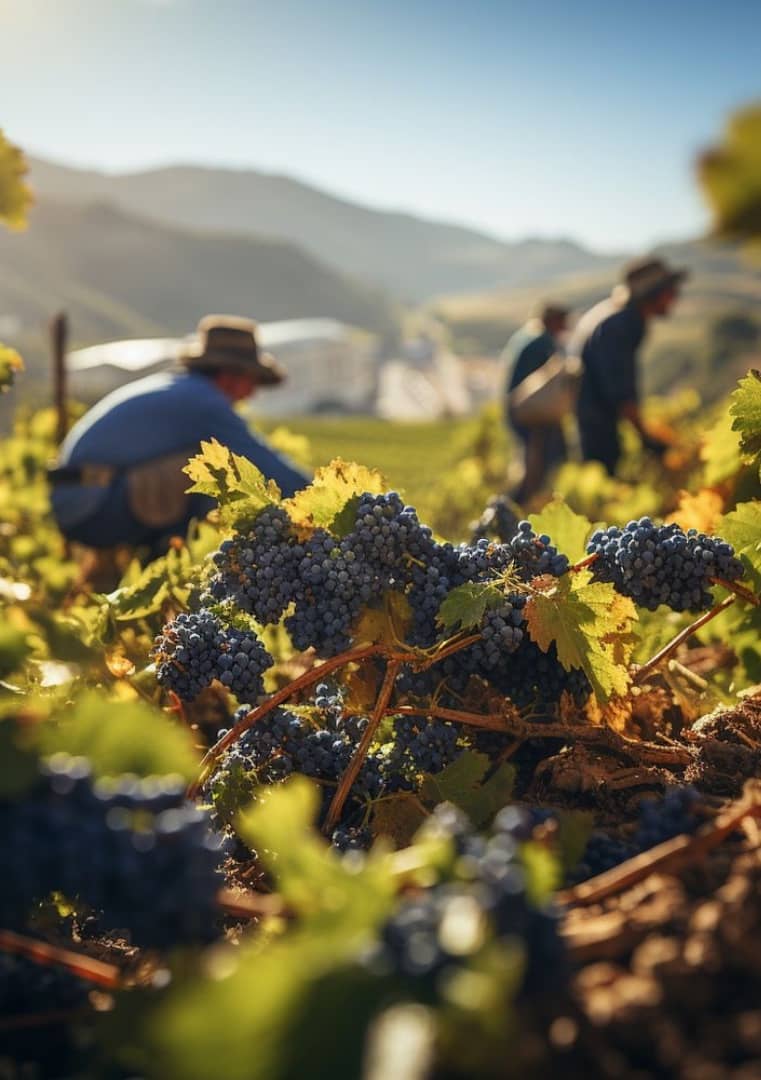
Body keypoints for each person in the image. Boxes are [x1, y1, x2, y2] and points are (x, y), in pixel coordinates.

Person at [49, 314, 309, 559]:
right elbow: (260, 464)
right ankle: (176, 566)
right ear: (231, 375)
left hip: (80, 500)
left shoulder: (183, 389)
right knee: (214, 473)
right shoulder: (204, 404)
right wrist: (317, 499)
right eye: (252, 381)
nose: (252, 393)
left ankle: (155, 563)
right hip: (93, 508)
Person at [570, 257, 688, 475]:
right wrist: (645, 436)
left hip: (592, 413)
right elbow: (619, 388)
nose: (675, 299)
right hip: (597, 419)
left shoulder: (616, 315)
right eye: (671, 292)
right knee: (603, 476)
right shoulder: (624, 324)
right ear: (653, 294)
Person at [502, 302, 570, 503]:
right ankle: (518, 508)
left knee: (531, 464)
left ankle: (519, 506)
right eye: (562, 323)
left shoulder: (528, 335)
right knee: (537, 468)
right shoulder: (543, 342)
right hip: (532, 413)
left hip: (519, 409)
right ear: (553, 321)